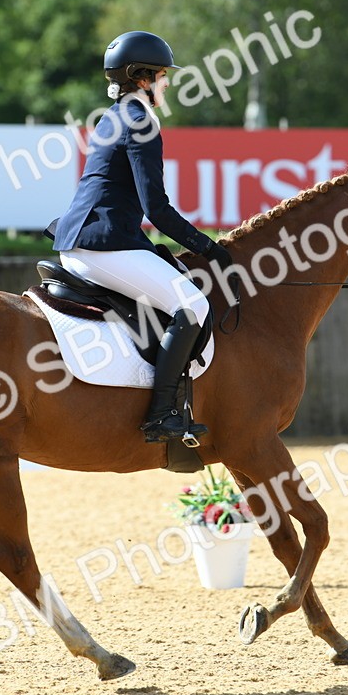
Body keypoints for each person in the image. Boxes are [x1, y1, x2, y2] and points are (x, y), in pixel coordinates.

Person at [53, 31, 232, 443]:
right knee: (193, 305)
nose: (168, 83)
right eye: (164, 76)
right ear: (143, 78)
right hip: (102, 245)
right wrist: (209, 248)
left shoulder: (112, 116)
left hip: (88, 240)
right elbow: (157, 210)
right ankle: (161, 414)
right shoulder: (141, 121)